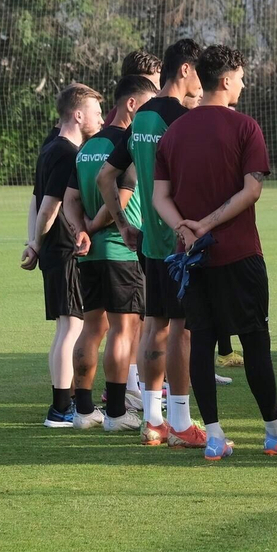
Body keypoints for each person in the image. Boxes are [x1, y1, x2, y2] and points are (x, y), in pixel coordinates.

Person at [151, 45, 277, 462]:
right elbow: (252, 190)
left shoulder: (174, 132)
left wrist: (184, 226)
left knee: (200, 340)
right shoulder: (245, 127)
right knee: (255, 341)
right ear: (226, 80)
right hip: (239, 254)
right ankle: (275, 432)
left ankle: (214, 436)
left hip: (192, 258)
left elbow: (158, 197)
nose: (244, 82)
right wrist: (207, 224)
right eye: (241, 76)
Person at [97, 38, 206, 449]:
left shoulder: (140, 118)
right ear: (185, 71)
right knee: (181, 331)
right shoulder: (180, 118)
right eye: (199, 72)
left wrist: (125, 225)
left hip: (149, 243)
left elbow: (105, 177)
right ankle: (179, 422)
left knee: (154, 328)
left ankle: (153, 420)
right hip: (179, 241)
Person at [62, 73, 157, 432]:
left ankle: (83, 411)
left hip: (90, 255)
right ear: (132, 104)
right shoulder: (130, 143)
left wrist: (80, 231)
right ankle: (117, 413)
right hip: (122, 250)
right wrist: (95, 226)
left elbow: (71, 200)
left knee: (90, 329)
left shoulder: (86, 147)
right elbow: (120, 198)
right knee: (123, 329)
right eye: (148, 105)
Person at [21, 83, 103, 427]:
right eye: (96, 112)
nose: (100, 119)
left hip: (52, 249)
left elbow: (34, 200)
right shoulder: (68, 153)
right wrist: (38, 242)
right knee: (72, 327)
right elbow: (50, 206)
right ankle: (60, 409)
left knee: (64, 328)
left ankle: (62, 403)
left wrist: (32, 242)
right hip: (65, 248)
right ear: (78, 114)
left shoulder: (48, 146)